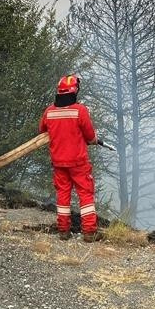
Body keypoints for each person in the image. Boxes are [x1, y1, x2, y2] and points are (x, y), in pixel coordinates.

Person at [39, 75, 102, 242]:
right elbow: (89, 136)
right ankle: (89, 232)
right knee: (86, 194)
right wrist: (94, 139)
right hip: (78, 162)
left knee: (63, 195)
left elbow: (42, 131)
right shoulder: (79, 110)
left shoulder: (49, 111)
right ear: (75, 91)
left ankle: (63, 231)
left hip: (59, 162)